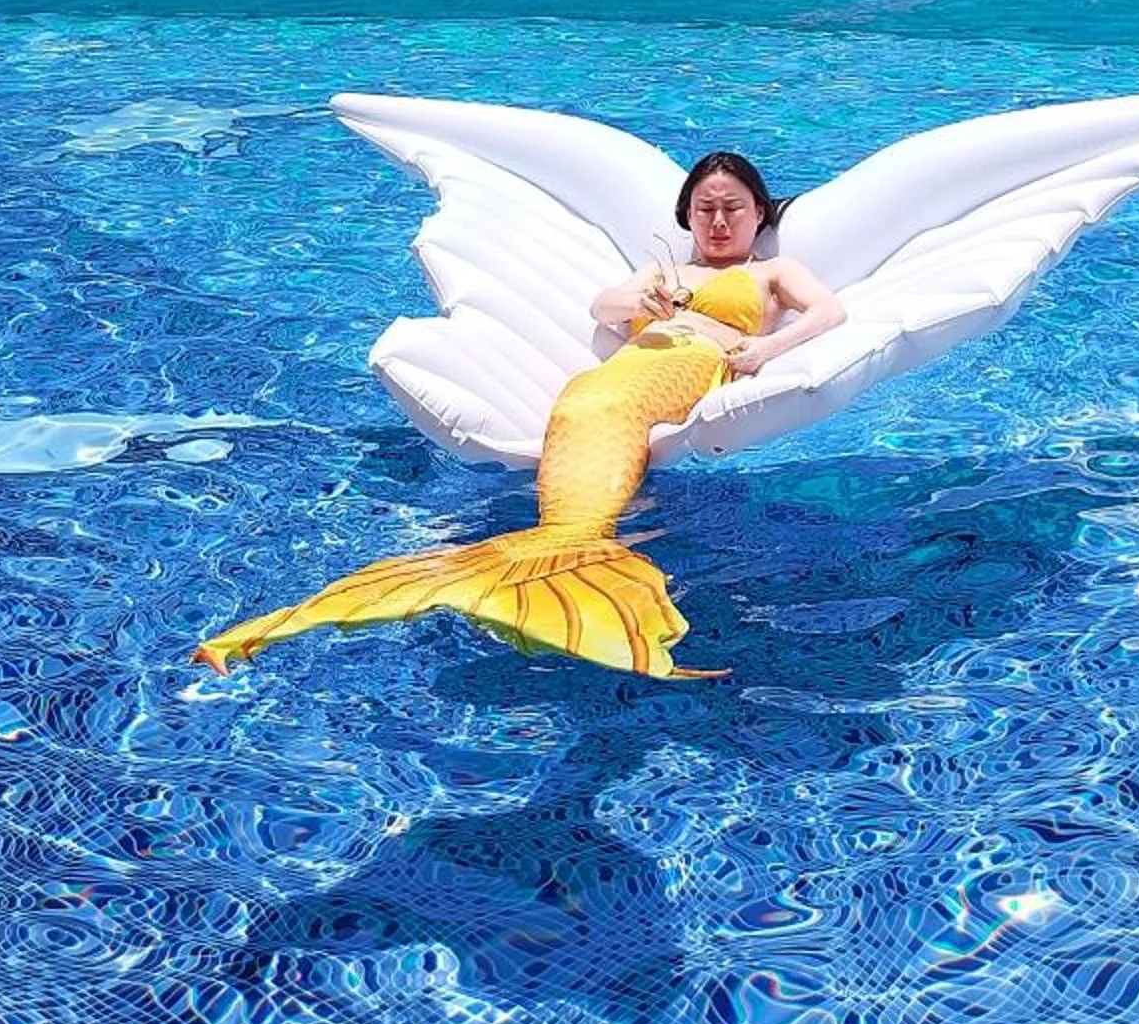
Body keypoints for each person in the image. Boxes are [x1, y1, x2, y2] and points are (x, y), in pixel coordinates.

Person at [196, 150, 846, 679]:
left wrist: (766, 347)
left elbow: (828, 313)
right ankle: (559, 558)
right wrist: (639, 293)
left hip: (682, 369)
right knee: (587, 401)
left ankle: (558, 561)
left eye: (733, 207)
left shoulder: (771, 271)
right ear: (686, 217)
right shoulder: (665, 270)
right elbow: (604, 309)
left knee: (610, 405)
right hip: (613, 375)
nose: (719, 220)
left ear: (759, 211)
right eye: (705, 209)